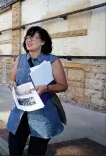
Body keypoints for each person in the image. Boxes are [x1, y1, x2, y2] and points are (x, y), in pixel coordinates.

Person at [7, 26, 68, 156]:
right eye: (27, 38)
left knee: (37, 151)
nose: (29, 40)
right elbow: (12, 80)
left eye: (34, 38)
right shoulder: (20, 59)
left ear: (43, 42)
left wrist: (46, 88)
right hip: (20, 112)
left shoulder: (52, 60)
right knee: (14, 147)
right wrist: (12, 83)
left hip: (43, 113)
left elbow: (63, 85)